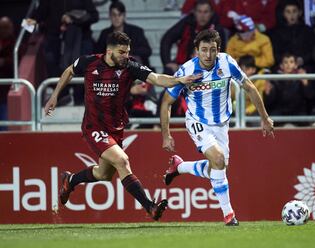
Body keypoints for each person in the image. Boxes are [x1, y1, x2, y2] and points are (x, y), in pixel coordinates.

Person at [44, 31, 201, 220]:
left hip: (116, 128)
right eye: (122, 52)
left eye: (127, 52)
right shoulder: (89, 62)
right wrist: (54, 96)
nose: (126, 56)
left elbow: (156, 78)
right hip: (94, 126)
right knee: (122, 161)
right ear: (109, 51)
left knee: (103, 175)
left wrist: (178, 80)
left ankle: (70, 180)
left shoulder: (130, 66)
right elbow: (69, 71)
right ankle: (150, 206)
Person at [160, 29, 274, 226]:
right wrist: (166, 134)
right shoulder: (187, 70)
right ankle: (229, 215)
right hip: (197, 121)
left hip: (222, 124)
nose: (208, 55)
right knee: (218, 159)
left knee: (219, 167)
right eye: (203, 50)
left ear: (218, 50)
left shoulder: (226, 63)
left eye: (212, 50)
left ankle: (180, 166)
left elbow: (249, 87)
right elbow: (166, 102)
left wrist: (264, 117)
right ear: (196, 50)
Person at [160, 0, 226, 75]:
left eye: (206, 12)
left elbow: (221, 52)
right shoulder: (187, 22)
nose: (202, 16)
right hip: (184, 63)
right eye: (199, 11)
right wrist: (167, 62)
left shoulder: (217, 28)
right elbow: (167, 39)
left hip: (208, 66)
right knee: (168, 71)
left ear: (211, 13)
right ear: (194, 12)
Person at [96, 0, 152, 67]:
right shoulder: (105, 33)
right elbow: (97, 53)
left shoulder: (136, 31)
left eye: (119, 15)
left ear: (124, 15)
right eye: (114, 15)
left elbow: (147, 51)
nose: (117, 18)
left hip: (133, 68)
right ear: (110, 16)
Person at [263, 53, 314, 126]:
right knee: (271, 121)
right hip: (280, 112)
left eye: (291, 62)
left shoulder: (301, 78)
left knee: (305, 120)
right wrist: (267, 93)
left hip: (298, 112)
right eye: (285, 62)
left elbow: (310, 97)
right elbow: (268, 103)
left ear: (296, 65)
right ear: (281, 66)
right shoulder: (274, 79)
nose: (288, 65)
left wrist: (306, 83)